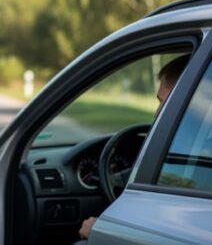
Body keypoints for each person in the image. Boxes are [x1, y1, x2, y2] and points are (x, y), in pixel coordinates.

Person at [77, 54, 190, 242]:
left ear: (187, 101)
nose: (157, 112)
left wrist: (102, 229)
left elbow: (155, 227)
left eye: (164, 102)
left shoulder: (192, 156)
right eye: (158, 102)